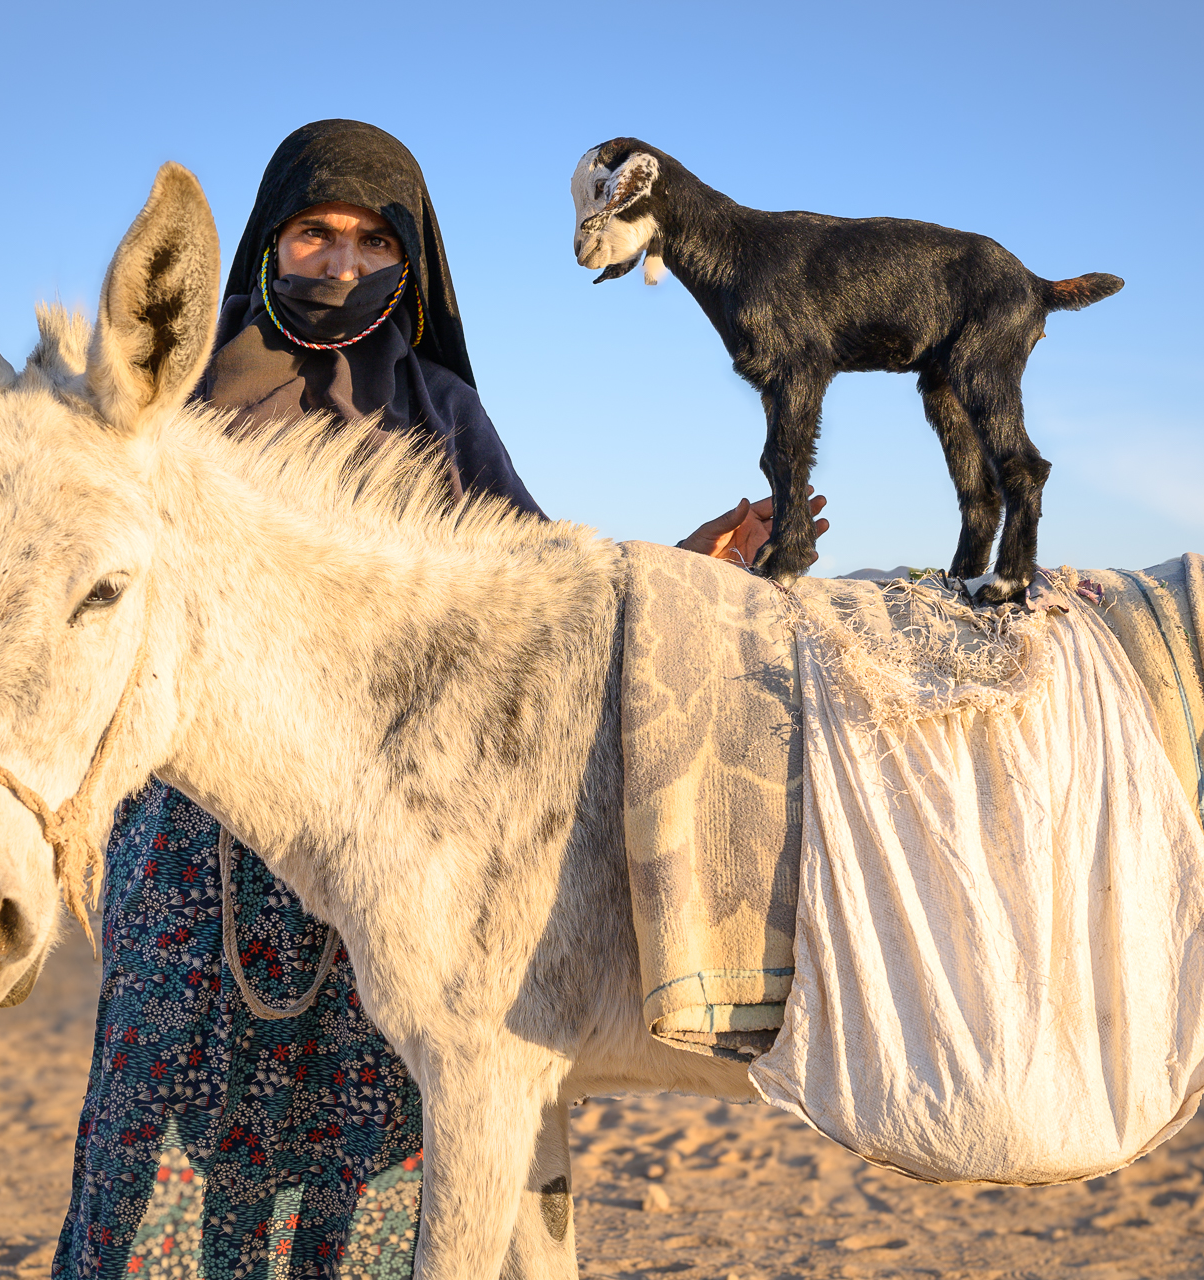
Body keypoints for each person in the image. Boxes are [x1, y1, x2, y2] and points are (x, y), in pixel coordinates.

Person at [54, 120, 823, 1280]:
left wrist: (684, 561)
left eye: (375, 241)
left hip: (400, 848)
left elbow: (528, 607)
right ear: (267, 240)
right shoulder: (173, 423)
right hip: (195, 849)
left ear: (412, 263)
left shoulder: (441, 414)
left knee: (392, 1149)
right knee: (170, 1135)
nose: (341, 262)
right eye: (314, 231)